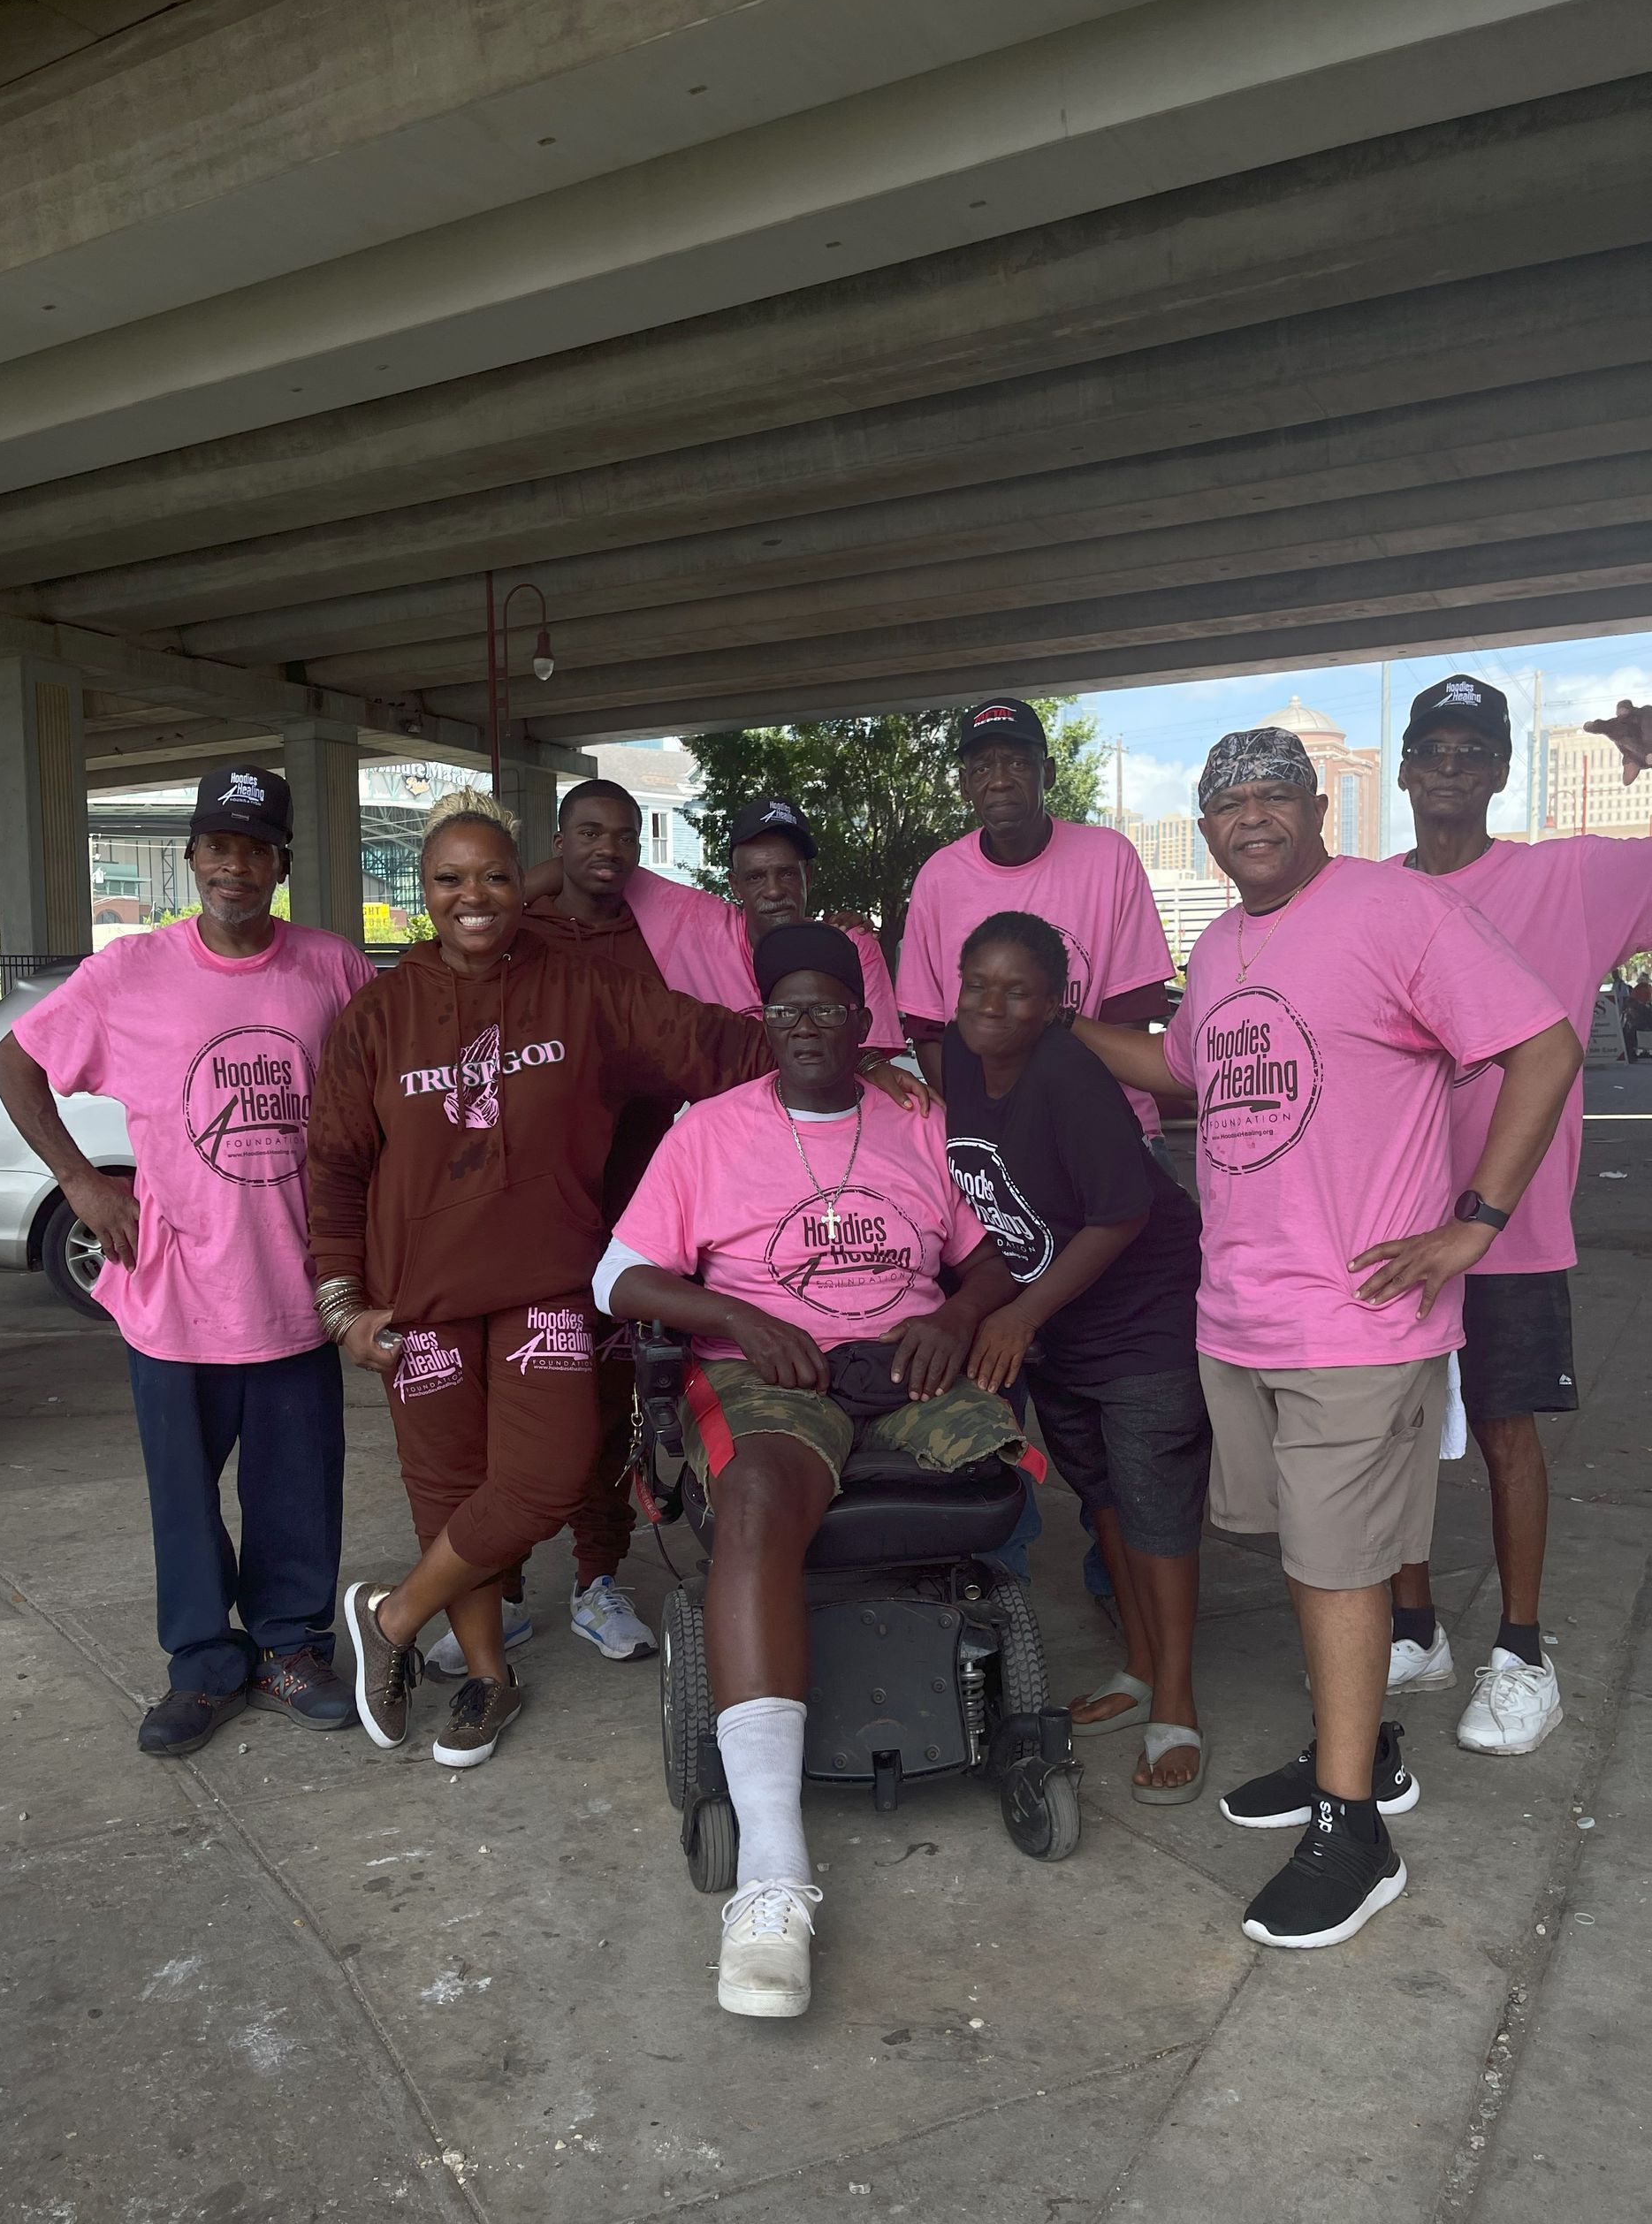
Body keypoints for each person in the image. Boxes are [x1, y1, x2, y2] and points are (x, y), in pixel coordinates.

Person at [1074, 727, 1578, 1950]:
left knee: (1340, 1564)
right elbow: (1186, 1070)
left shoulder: (1395, 911)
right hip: (1242, 1310)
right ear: (1208, 832)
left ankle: (1355, 1827)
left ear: (1314, 812)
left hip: (1356, 1316)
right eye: (1226, 801)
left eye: (1271, 795)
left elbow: (1545, 1045)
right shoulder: (1227, 946)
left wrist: (1475, 1223)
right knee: (1305, 1553)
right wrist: (1053, 1026)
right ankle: (1363, 1746)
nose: (1249, 815)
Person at [310, 792, 927, 1773]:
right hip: (416, 1293)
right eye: (450, 879)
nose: (475, 896)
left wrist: (858, 1054)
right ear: (422, 893)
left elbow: (708, 1039)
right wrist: (339, 1298)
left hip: (547, 1281)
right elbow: (336, 1163)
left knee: (548, 1474)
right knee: (446, 1491)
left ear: (528, 885)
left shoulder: (578, 987)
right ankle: (487, 1678)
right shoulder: (377, 1015)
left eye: (496, 876)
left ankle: (389, 1617)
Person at [596, 923, 1034, 2018]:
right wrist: (735, 1312)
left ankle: (989, 1679)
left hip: (899, 1364)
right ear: (762, 1021)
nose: (805, 1025)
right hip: (766, 1376)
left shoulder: (915, 1120)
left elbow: (984, 1257)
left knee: (1003, 1463)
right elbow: (620, 1276)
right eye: (784, 1008)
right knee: (753, 1499)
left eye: (826, 1007)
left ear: (860, 1023)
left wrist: (961, 1315)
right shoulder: (708, 1133)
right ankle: (773, 1876)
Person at [0, 766, 372, 1756]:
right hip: (174, 1292)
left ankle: (291, 1646)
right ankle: (206, 1664)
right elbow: (15, 1062)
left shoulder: (334, 968)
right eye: (216, 846)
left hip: (294, 1288)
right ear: (194, 857)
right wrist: (80, 1181)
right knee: (184, 1499)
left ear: (281, 863)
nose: (232, 865)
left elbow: (382, 1107)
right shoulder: (130, 973)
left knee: (297, 1488)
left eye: (254, 847)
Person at [1384, 681, 1652, 1751]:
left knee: (1505, 1434)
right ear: (1403, 770)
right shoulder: (1365, 893)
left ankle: (1521, 1654)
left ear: (1500, 772)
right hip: (1388, 1221)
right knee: (1392, 1436)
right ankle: (1414, 1629)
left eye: (1473, 749)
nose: (1450, 764)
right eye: (1431, 747)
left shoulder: (1571, 874)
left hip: (1511, 1225)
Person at [942, 910, 1210, 1801]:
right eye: (978, 981)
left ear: (1057, 1004)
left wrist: (1021, 1314)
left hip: (1141, 1314)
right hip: (1057, 1318)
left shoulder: (1068, 1073)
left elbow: (1123, 1212)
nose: (992, 1003)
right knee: (1100, 1497)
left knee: (1154, 1501)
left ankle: (1176, 1702)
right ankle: (1137, 1670)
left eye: (1017, 990)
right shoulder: (954, 1056)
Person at [424, 777, 673, 1674]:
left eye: (625, 836)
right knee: (508, 1416)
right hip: (518, 1215)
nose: (609, 850)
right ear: (558, 844)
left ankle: (599, 1579)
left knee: (609, 1405)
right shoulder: (512, 930)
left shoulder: (657, 937)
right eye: (588, 834)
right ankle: (506, 1589)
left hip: (632, 1207)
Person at [895, 698, 1175, 1156]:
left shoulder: (1109, 859)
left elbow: (1131, 1019)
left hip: (1108, 1131)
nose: (1000, 781)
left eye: (1017, 763)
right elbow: (930, 1034)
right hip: (994, 1142)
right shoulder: (938, 877)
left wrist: (1058, 1120)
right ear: (965, 786)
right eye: (982, 768)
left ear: (1048, 773)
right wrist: (988, 1123)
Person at [529, 789, 903, 1054]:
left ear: (809, 876)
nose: (774, 891)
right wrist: (502, 903)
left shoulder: (850, 946)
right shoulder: (696, 923)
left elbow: (873, 1066)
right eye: (756, 877)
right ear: (734, 884)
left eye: (787, 874)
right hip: (728, 1138)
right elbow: (592, 864)